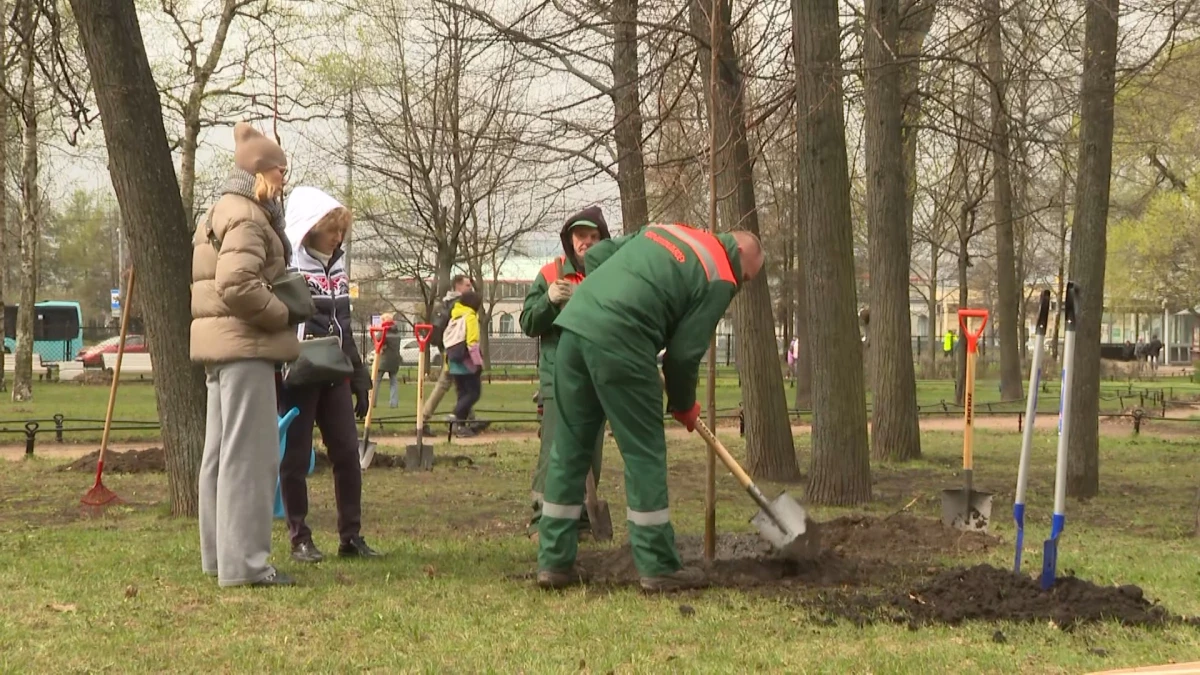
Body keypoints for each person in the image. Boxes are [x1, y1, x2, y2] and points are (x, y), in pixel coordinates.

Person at [536, 223, 765, 593]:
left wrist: (608, 296)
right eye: (748, 278)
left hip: (575, 327)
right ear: (740, 258)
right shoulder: (721, 274)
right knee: (644, 454)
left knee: (569, 449)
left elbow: (595, 255)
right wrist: (684, 404)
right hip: (622, 341)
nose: (742, 285)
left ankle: (554, 563)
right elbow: (684, 354)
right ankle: (658, 566)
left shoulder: (667, 230)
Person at [192, 122, 299, 587]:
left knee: (220, 456)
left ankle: (220, 559)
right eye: (281, 171)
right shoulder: (248, 217)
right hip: (246, 346)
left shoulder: (217, 211)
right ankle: (247, 566)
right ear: (263, 172)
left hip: (222, 348)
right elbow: (236, 284)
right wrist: (281, 314)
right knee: (250, 459)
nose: (284, 181)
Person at [277, 185, 380, 563]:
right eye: (332, 229)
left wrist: (360, 377)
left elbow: (345, 325)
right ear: (312, 227)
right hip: (301, 372)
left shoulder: (337, 267)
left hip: (335, 371)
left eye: (341, 230)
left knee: (347, 455)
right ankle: (299, 537)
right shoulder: (290, 264)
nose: (339, 237)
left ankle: (350, 536)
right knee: (297, 457)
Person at [521, 206, 611, 542]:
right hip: (559, 377)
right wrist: (548, 299)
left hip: (596, 376)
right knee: (556, 448)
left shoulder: (609, 275)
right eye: (580, 236)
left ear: (602, 239)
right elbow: (529, 323)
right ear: (570, 239)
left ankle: (582, 520)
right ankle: (541, 521)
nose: (586, 242)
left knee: (591, 452)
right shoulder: (551, 273)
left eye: (593, 236)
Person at [420, 274, 475, 435]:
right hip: (456, 351)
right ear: (458, 286)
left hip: (450, 349)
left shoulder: (446, 302)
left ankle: (467, 418)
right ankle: (424, 419)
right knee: (447, 383)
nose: (470, 288)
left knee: (463, 383)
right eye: (467, 285)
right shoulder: (459, 304)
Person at [444, 290, 485, 436]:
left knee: (462, 394)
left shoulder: (455, 315)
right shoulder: (470, 317)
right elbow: (472, 343)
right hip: (467, 363)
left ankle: (460, 426)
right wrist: (478, 364)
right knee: (474, 393)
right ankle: (455, 416)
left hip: (454, 362)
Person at [376, 312, 402, 408]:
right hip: (395, 359)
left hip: (384, 359)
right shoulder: (397, 332)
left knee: (376, 380)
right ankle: (394, 403)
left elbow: (377, 339)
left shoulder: (383, 330)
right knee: (393, 381)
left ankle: (372, 401)